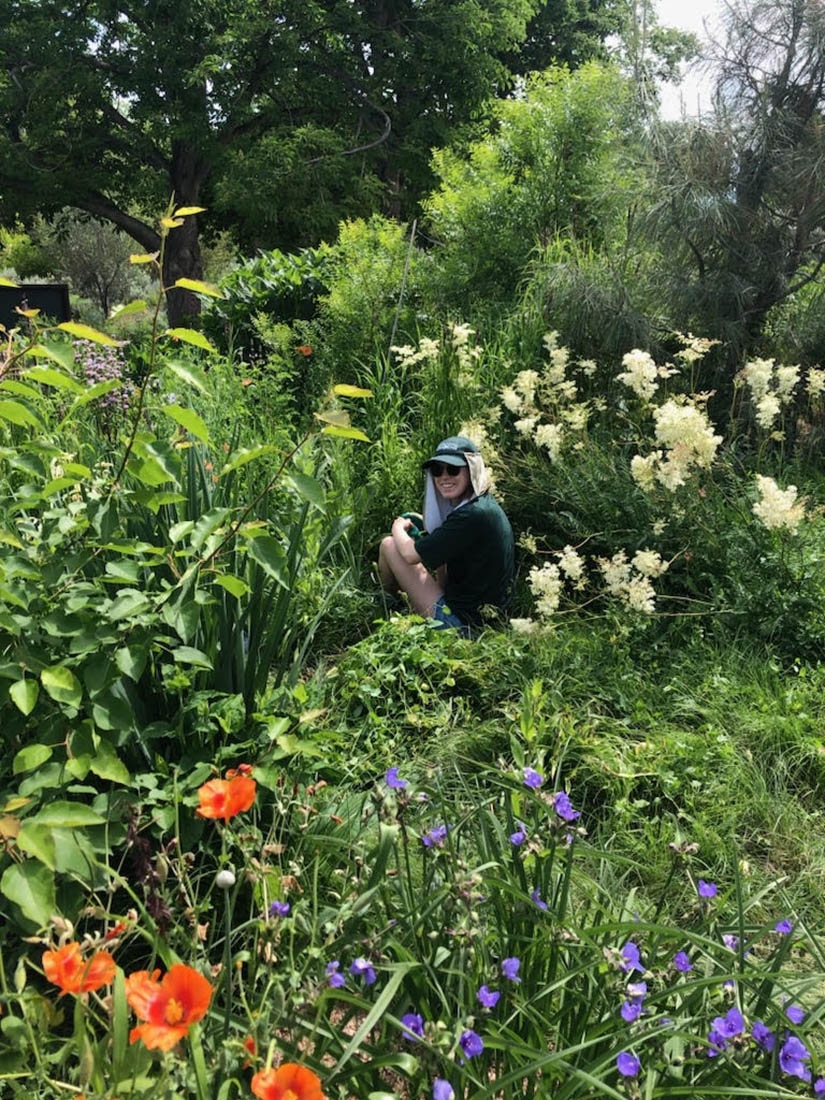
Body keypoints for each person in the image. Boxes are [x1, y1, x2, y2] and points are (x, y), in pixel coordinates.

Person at [378, 436, 514, 634]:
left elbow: (410, 554)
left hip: (461, 627)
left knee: (389, 545)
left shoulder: (469, 516)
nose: (444, 477)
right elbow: (444, 558)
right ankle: (404, 603)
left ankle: (388, 604)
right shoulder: (483, 506)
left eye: (453, 469)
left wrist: (397, 526)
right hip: (487, 621)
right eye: (437, 470)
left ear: (472, 470)